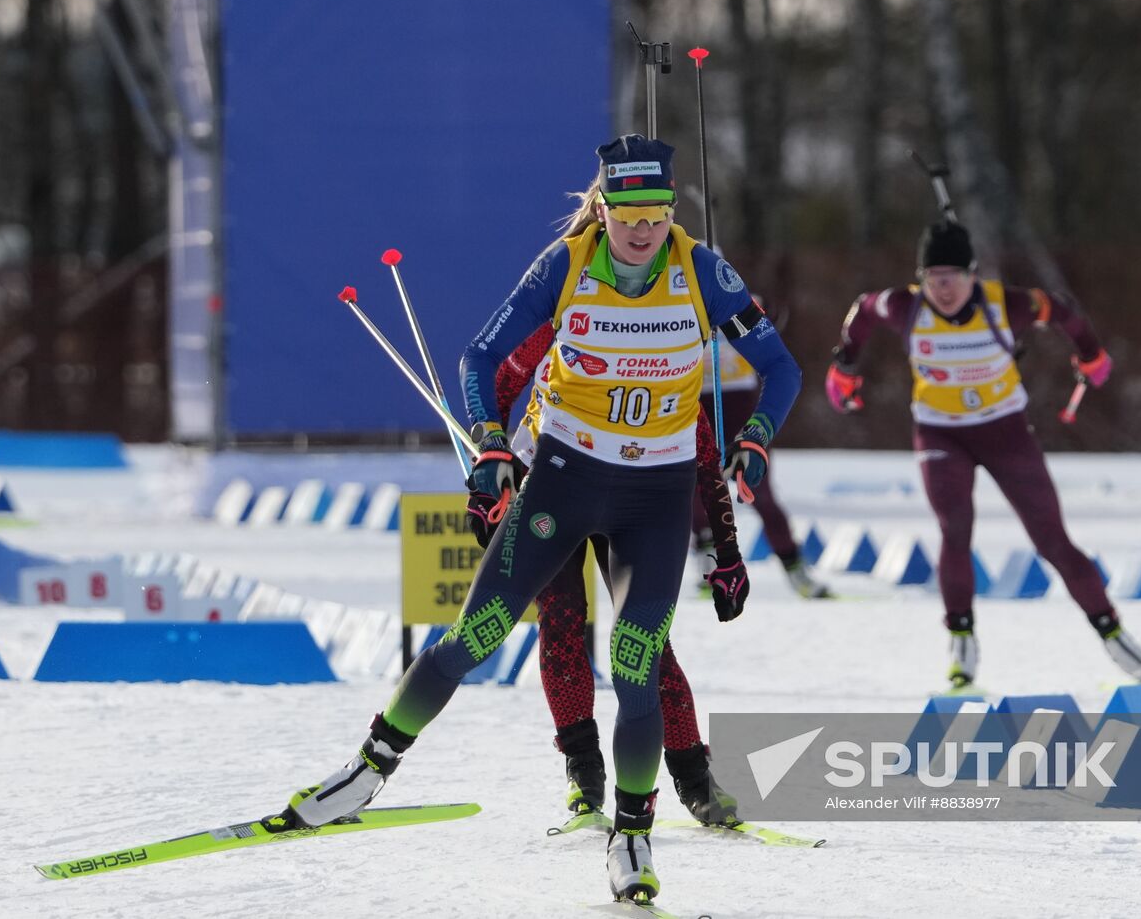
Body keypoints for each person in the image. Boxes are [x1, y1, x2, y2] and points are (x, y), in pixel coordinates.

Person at [270, 135, 800, 904]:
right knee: (474, 636)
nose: (643, 231)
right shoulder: (566, 267)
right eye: (628, 215)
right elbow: (479, 361)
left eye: (656, 214)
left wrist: (756, 441)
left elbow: (781, 367)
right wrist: (490, 445)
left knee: (636, 660)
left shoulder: (701, 272)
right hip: (564, 483)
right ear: (604, 210)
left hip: (653, 501)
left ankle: (633, 834)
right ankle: (366, 771)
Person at [824, 219, 1141, 691]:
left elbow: (1063, 310)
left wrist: (1090, 354)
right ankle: (961, 642)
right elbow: (864, 309)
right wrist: (844, 366)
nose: (943, 290)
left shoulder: (1007, 305)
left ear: (972, 275)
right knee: (954, 529)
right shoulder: (905, 306)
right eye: (933, 279)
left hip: (1005, 433)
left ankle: (1114, 634)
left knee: (1052, 541)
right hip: (940, 433)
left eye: (952, 278)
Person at [473, 320, 747, 829]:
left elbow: (706, 458)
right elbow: (499, 385)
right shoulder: (561, 323)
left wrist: (728, 553)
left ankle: (693, 776)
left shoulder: (664, 353)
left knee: (645, 639)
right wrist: (488, 472)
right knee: (561, 619)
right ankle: (583, 769)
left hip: (628, 493)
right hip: (548, 486)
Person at [693, 320, 832, 600]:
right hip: (696, 402)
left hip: (740, 404)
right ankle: (708, 564)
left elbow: (774, 329)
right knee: (696, 489)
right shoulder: (678, 300)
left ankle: (795, 568)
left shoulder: (738, 299)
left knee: (760, 492)